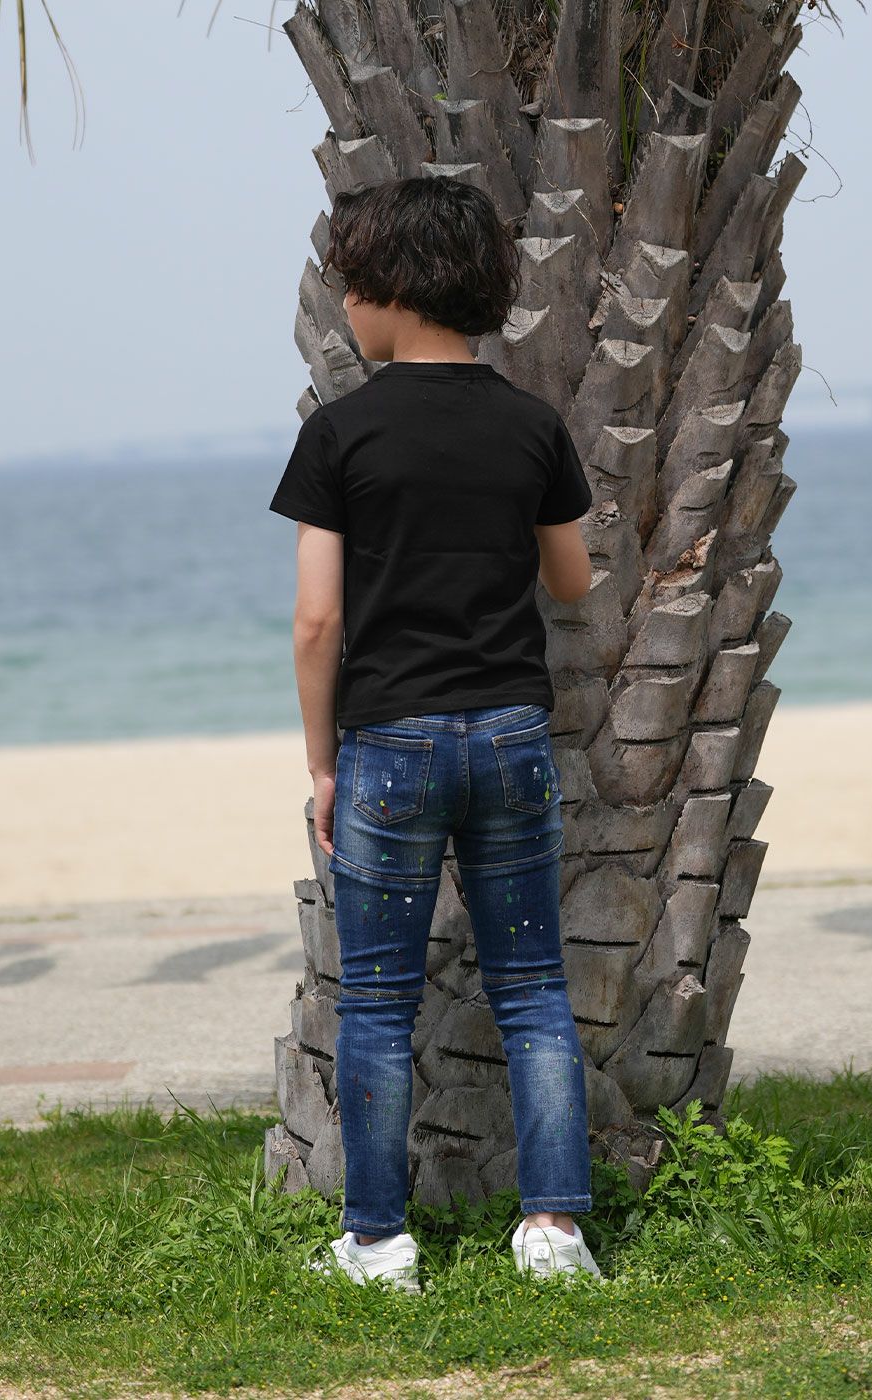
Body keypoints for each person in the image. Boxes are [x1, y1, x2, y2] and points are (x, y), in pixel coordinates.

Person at [268, 174, 600, 1292]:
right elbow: (572, 580)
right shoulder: (531, 425)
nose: (345, 305)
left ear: (394, 289)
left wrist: (323, 764)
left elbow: (317, 621)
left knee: (375, 1000)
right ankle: (553, 1235)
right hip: (509, 736)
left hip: (390, 747)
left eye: (352, 283)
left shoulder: (340, 433)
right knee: (532, 988)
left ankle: (378, 1242)